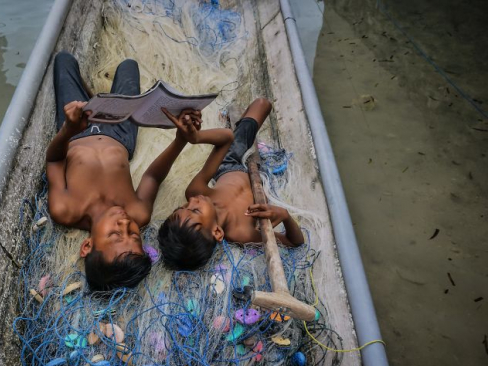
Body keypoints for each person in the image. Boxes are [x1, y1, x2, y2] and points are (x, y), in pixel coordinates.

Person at [46, 51, 201, 290]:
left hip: (77, 133)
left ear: (87, 246)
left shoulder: (65, 209)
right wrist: (181, 138)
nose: (126, 225)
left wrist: (68, 129)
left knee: (64, 60)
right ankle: (97, 98)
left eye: (116, 236)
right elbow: (153, 176)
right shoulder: (137, 213)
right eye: (135, 235)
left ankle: (91, 99)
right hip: (119, 135)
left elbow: (54, 161)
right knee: (129, 65)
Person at [158, 98, 305, 270]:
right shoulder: (241, 233)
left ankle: (241, 124)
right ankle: (243, 128)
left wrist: (196, 137)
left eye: (182, 206)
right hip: (260, 175)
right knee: (260, 109)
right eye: (195, 210)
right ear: (217, 232)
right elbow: (294, 241)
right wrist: (285, 216)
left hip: (229, 164)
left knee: (262, 104)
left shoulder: (196, 191)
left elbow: (226, 138)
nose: (192, 200)